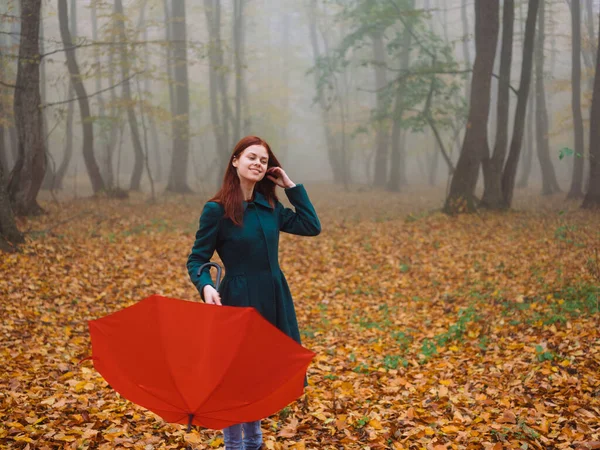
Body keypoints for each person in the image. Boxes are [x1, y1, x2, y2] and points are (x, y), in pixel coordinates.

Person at [186, 136, 321, 450]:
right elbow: (197, 258)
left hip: (273, 296)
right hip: (238, 298)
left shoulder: (270, 206)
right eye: (251, 157)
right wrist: (205, 284)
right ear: (235, 161)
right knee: (236, 375)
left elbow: (310, 225)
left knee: (259, 372)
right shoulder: (215, 210)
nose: (258, 163)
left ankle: (256, 442)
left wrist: (290, 186)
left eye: (264, 160)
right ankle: (234, 444)